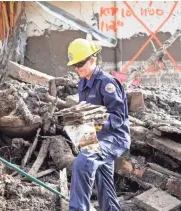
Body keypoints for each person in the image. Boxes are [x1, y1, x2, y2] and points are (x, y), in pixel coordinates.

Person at [66, 38, 131, 211]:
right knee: (105, 185)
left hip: (113, 138)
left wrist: (99, 122)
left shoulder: (106, 83)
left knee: (83, 160)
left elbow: (119, 117)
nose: (77, 68)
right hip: (94, 137)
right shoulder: (82, 84)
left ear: (92, 60)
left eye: (80, 64)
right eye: (74, 65)